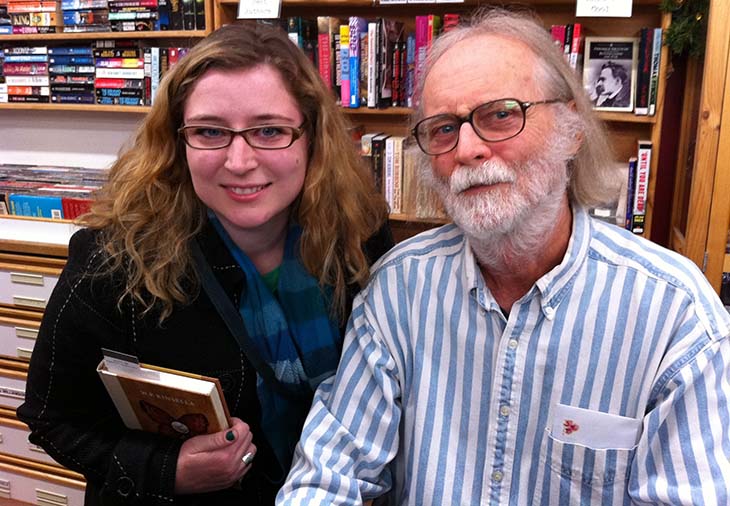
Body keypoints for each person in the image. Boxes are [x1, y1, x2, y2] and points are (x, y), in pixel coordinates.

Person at [277, 7, 730, 506]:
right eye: (444, 128)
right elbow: (325, 479)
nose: (467, 148)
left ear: (572, 129)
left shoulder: (675, 316)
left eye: (500, 114)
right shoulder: (397, 294)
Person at [17, 21, 392, 506]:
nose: (239, 160)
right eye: (211, 131)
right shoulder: (113, 261)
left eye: (270, 131)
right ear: (178, 141)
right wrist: (163, 469)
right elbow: (52, 416)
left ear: (311, 138)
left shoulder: (359, 240)